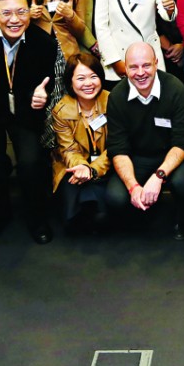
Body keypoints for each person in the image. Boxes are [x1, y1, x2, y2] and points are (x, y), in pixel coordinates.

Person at [0, 0, 57, 244]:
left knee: (32, 163)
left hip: (26, 115)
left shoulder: (44, 43)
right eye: (6, 13)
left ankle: (37, 219)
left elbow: (50, 82)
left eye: (21, 12)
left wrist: (45, 95)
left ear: (30, 10)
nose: (14, 20)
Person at [104, 43, 184, 238]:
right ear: (125, 68)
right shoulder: (117, 97)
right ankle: (139, 217)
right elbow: (118, 148)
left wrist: (159, 176)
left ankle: (183, 221)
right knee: (114, 197)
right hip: (136, 158)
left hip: (170, 154)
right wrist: (133, 186)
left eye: (146, 65)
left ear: (156, 63)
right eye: (133, 67)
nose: (140, 73)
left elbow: (182, 141)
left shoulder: (175, 89)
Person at [13, 0, 94, 146]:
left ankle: (64, 156)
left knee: (64, 113)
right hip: (33, 59)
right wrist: (26, 16)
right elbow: (8, 24)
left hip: (67, 60)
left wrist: (71, 17)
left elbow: (83, 30)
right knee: (38, 111)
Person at [50, 52, 111, 232]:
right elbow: (68, 149)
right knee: (71, 221)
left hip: (107, 165)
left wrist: (92, 170)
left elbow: (117, 146)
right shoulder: (61, 110)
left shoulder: (112, 101)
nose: (88, 84)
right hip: (74, 168)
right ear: (70, 82)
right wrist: (82, 167)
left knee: (101, 217)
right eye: (81, 78)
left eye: (94, 76)